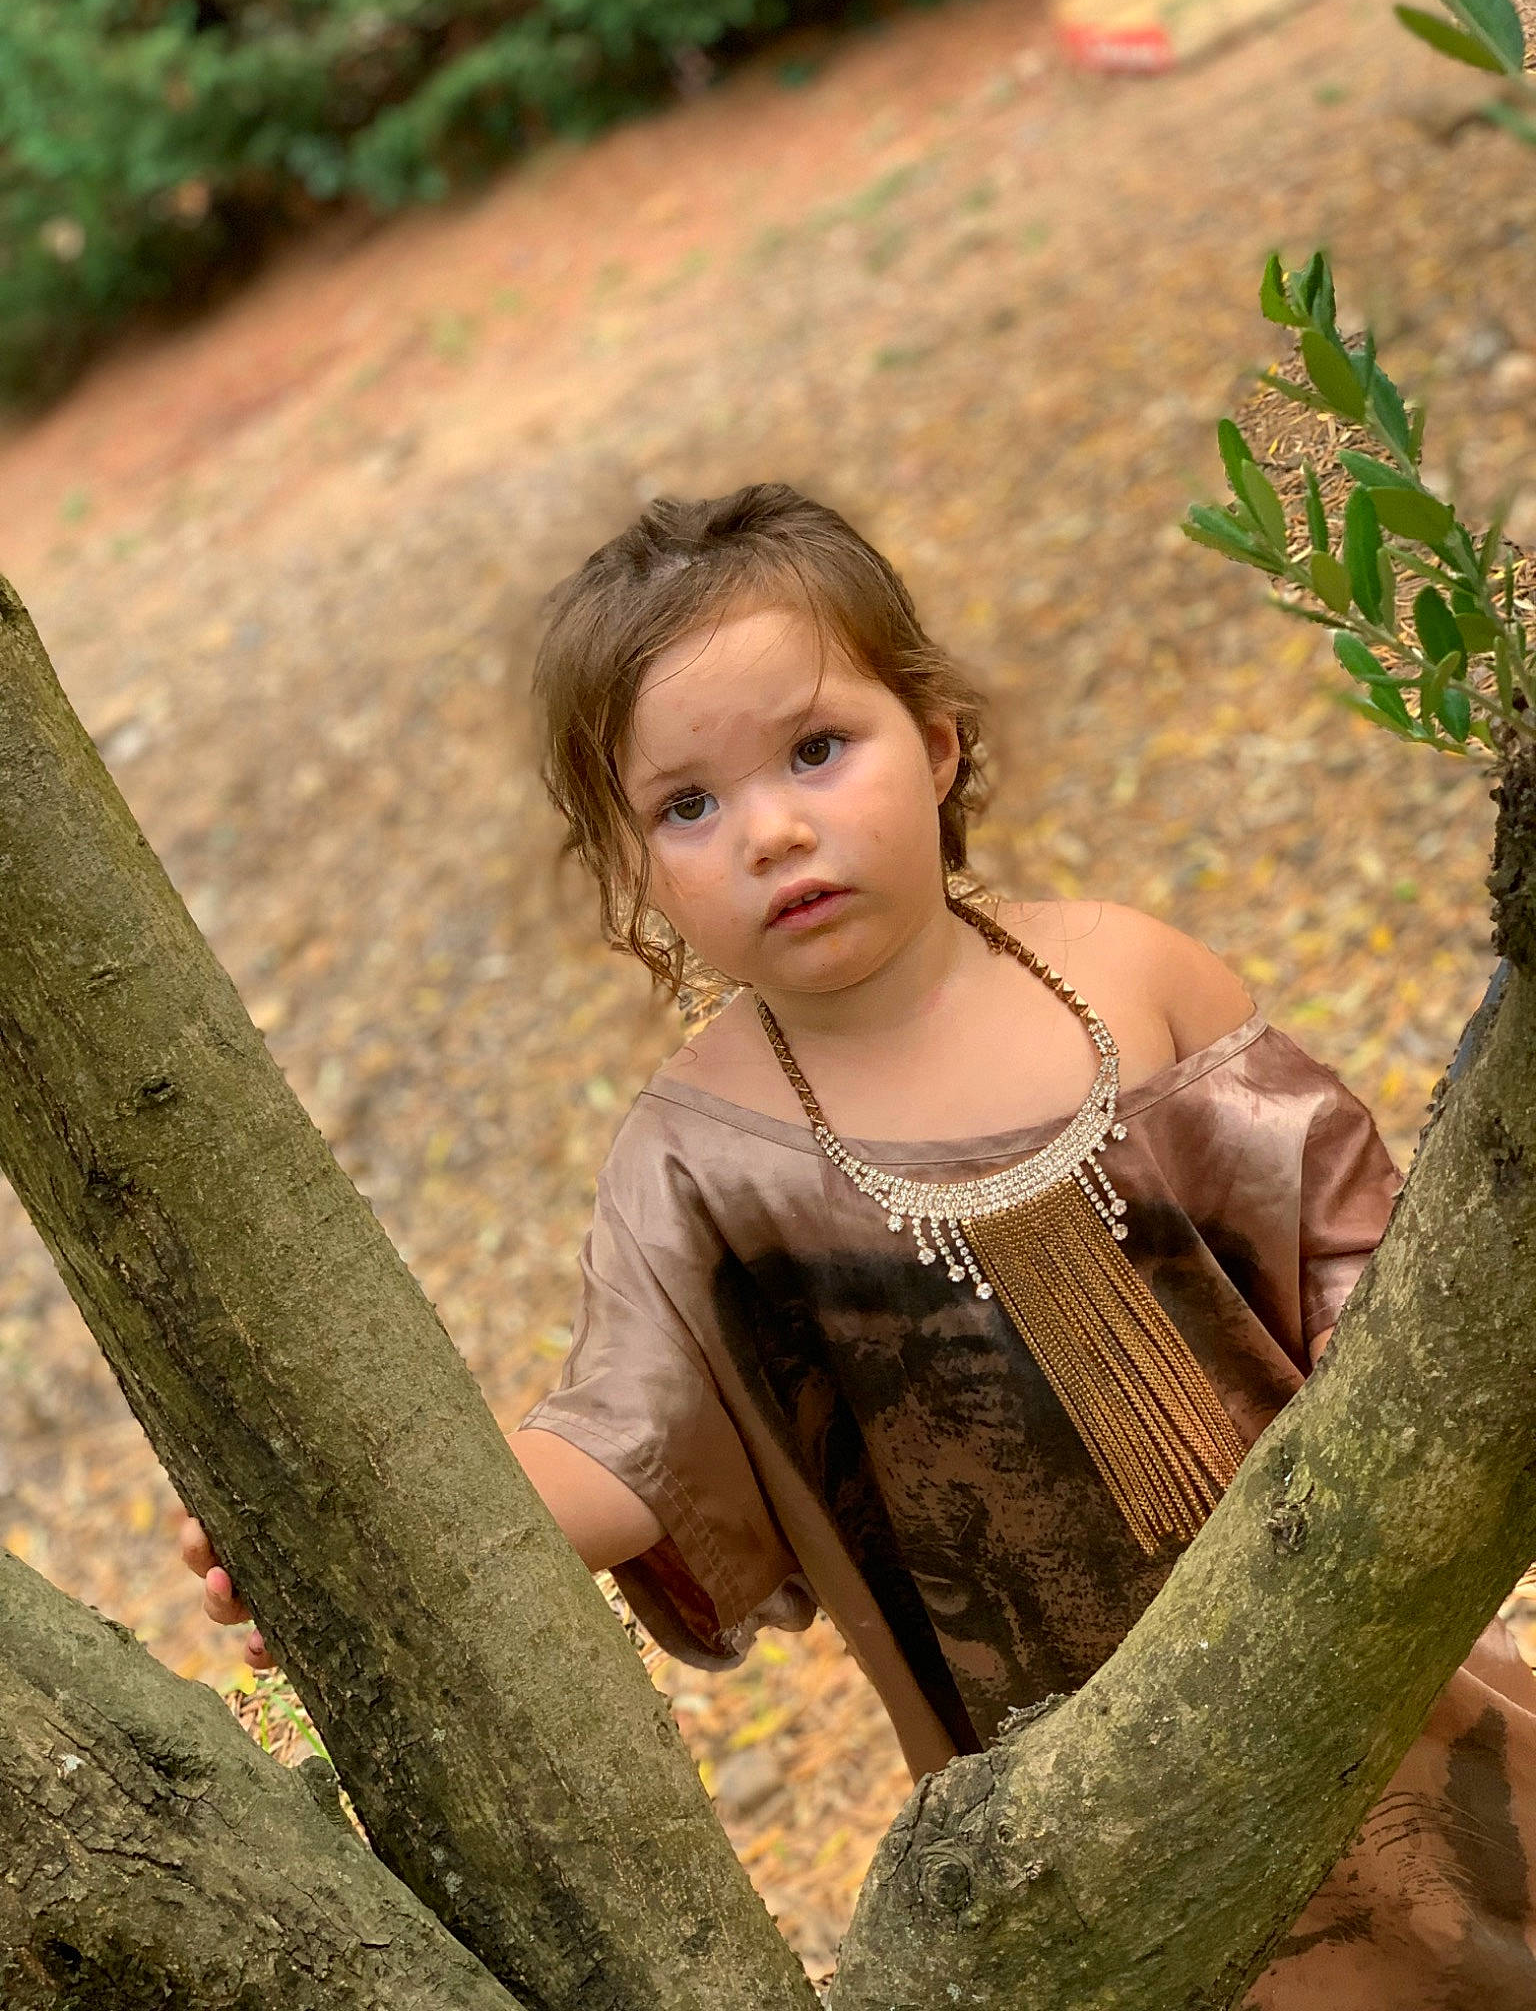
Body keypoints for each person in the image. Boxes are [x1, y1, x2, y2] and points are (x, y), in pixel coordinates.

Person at [182, 483, 1536, 2004]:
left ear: (939, 742)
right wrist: (343, 1521)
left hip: (1358, 1675)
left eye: (817, 750)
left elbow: (1385, 1286)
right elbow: (626, 1456)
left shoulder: (1131, 984)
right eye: (685, 807)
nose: (772, 831)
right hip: (1069, 1812)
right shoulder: (697, 1165)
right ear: (635, 870)